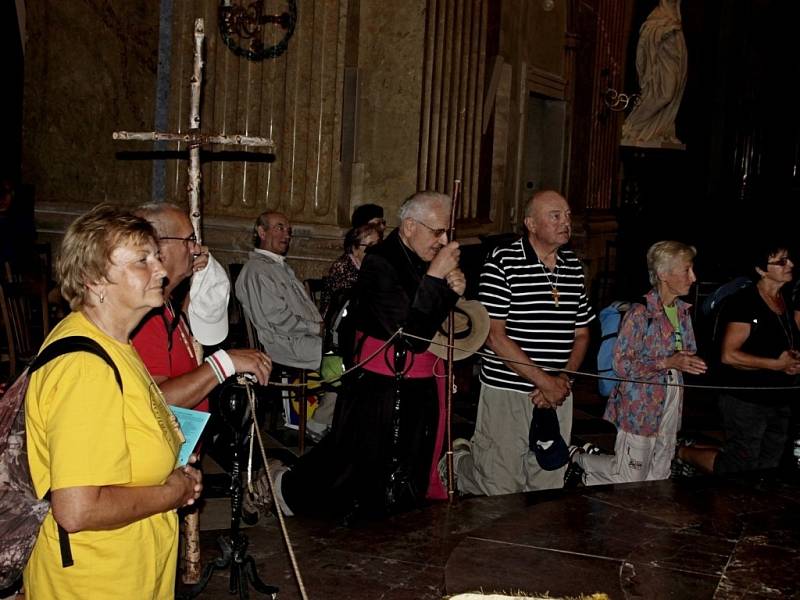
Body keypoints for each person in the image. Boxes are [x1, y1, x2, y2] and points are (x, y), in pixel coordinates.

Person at [23, 205, 203, 598]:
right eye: (142, 260)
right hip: (95, 580)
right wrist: (172, 491)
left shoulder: (117, 343)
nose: (160, 269)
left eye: (156, 255)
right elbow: (77, 510)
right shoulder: (84, 368)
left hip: (129, 570)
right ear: (94, 279)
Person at [271, 191, 465, 519]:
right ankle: (287, 490)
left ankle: (399, 519)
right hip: (379, 385)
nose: (443, 240)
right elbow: (411, 334)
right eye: (437, 232)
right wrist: (436, 279)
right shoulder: (380, 261)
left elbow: (435, 321)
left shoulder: (421, 256)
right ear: (409, 227)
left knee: (408, 461)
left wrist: (450, 289)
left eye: (447, 232)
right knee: (352, 466)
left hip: (416, 382)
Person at [452, 190, 594, 495]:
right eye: (555, 215)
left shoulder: (572, 268)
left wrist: (563, 379)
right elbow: (493, 335)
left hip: (557, 393)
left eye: (567, 215)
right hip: (509, 391)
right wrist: (543, 381)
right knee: (499, 486)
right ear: (530, 223)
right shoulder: (504, 261)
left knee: (548, 480)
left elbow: (582, 333)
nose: (565, 221)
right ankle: (457, 464)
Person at [567, 241, 707, 485]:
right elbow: (622, 365)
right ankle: (580, 460)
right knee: (631, 475)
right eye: (687, 270)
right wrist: (667, 361)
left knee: (661, 468)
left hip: (672, 395)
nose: (693, 277)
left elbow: (686, 349)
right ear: (664, 274)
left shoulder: (682, 310)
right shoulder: (640, 313)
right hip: (639, 402)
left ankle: (639, 513)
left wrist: (689, 361)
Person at [131, 203, 271, 412]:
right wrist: (225, 363)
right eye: (189, 240)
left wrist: (197, 283)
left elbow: (181, 327)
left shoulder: (166, 304)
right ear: (158, 248)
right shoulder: (145, 317)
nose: (196, 249)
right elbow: (157, 401)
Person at [679, 242, 800, 474]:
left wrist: (792, 360)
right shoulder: (745, 302)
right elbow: (729, 355)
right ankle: (684, 453)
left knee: (770, 462)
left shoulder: (784, 301)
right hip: (745, 397)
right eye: (781, 261)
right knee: (740, 463)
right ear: (761, 270)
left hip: (778, 396)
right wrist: (776, 364)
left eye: (789, 259)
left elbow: (781, 343)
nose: (790, 265)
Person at [235, 211, 324, 371]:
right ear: (262, 232)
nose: (287, 235)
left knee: (347, 346)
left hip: (299, 336)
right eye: (279, 228)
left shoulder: (280, 267)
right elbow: (277, 319)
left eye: (288, 231)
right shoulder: (257, 270)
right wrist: (317, 329)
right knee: (340, 352)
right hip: (282, 343)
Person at [621, 0, 687, 146]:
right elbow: (646, 33)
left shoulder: (676, 15)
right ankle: (633, 124)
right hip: (660, 61)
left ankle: (661, 128)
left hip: (672, 58)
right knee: (665, 95)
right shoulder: (657, 15)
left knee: (671, 94)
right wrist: (663, 33)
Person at [319, 222, 381, 318]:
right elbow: (349, 304)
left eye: (378, 246)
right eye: (370, 247)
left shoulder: (374, 266)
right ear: (355, 249)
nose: (376, 251)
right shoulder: (342, 267)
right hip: (339, 322)